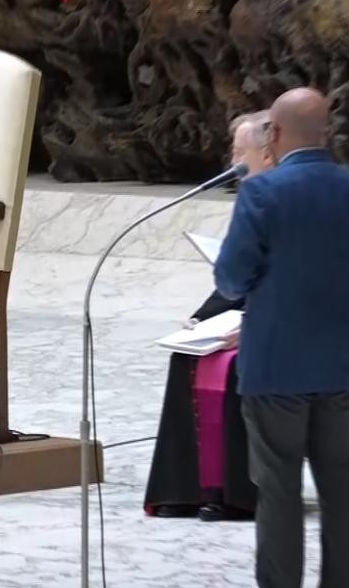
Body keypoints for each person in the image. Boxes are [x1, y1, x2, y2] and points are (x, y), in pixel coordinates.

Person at [215, 88, 349, 587]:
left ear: (273, 133)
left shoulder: (262, 193)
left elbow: (230, 280)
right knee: (339, 492)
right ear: (326, 132)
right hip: (339, 366)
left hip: (276, 368)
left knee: (280, 492)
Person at [144, 112, 274, 522]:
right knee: (188, 355)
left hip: (285, 324)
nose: (232, 160)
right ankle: (186, 490)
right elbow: (238, 276)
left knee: (234, 366)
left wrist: (253, 324)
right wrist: (204, 318)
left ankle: (236, 495)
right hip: (251, 314)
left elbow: (300, 280)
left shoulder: (289, 199)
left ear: (268, 154)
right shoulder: (252, 196)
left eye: (240, 151)